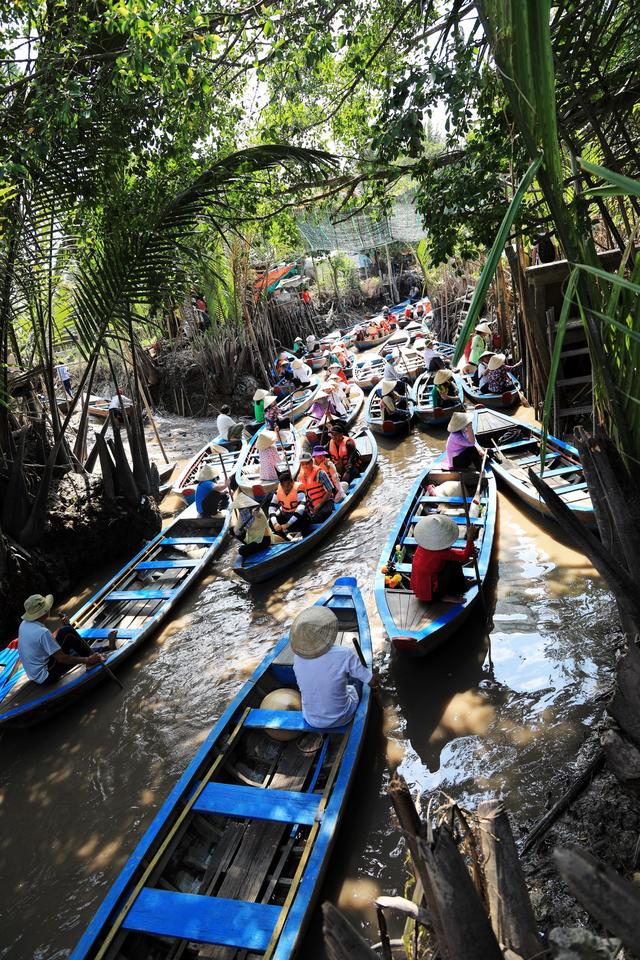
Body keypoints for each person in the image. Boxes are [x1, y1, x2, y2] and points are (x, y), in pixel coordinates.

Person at [290, 605, 372, 729]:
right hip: (341, 717)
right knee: (357, 680)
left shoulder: (297, 658)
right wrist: (375, 683)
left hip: (311, 719)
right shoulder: (344, 653)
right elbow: (370, 680)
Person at [18, 594, 107, 685]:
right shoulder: (42, 632)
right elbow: (61, 658)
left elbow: (48, 642)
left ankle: (92, 654)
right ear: (43, 611)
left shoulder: (24, 624)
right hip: (46, 675)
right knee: (68, 632)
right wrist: (87, 659)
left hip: (33, 674)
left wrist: (63, 627)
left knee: (64, 632)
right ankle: (91, 659)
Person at [410, 515, 475, 602]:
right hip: (431, 593)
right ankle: (444, 595)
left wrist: (469, 549)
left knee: (452, 562)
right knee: (454, 565)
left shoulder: (423, 545)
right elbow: (464, 557)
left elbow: (453, 554)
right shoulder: (440, 553)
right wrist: (470, 538)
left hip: (421, 587)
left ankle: (462, 585)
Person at [268, 465, 310, 537]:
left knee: (303, 518)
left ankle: (303, 535)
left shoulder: (299, 491)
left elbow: (300, 509)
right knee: (271, 523)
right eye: (284, 485)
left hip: (300, 517)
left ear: (292, 483)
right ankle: (284, 538)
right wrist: (275, 523)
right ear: (281, 485)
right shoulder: (277, 492)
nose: (287, 487)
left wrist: (288, 524)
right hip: (287, 515)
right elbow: (271, 508)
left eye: (288, 484)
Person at [298, 450, 335, 522]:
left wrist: (319, 505)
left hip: (325, 502)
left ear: (312, 462)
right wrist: (310, 508)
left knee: (322, 514)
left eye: (307, 463)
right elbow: (302, 495)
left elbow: (329, 491)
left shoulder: (320, 473)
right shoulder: (300, 477)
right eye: (302, 464)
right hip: (311, 506)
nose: (305, 466)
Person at [232, 492, 273, 556]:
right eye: (240, 508)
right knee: (232, 530)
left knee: (241, 550)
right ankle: (251, 546)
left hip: (263, 539)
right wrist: (237, 531)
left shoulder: (257, 510)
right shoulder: (243, 514)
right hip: (252, 539)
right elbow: (237, 530)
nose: (240, 509)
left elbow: (260, 515)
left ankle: (252, 547)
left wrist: (256, 514)